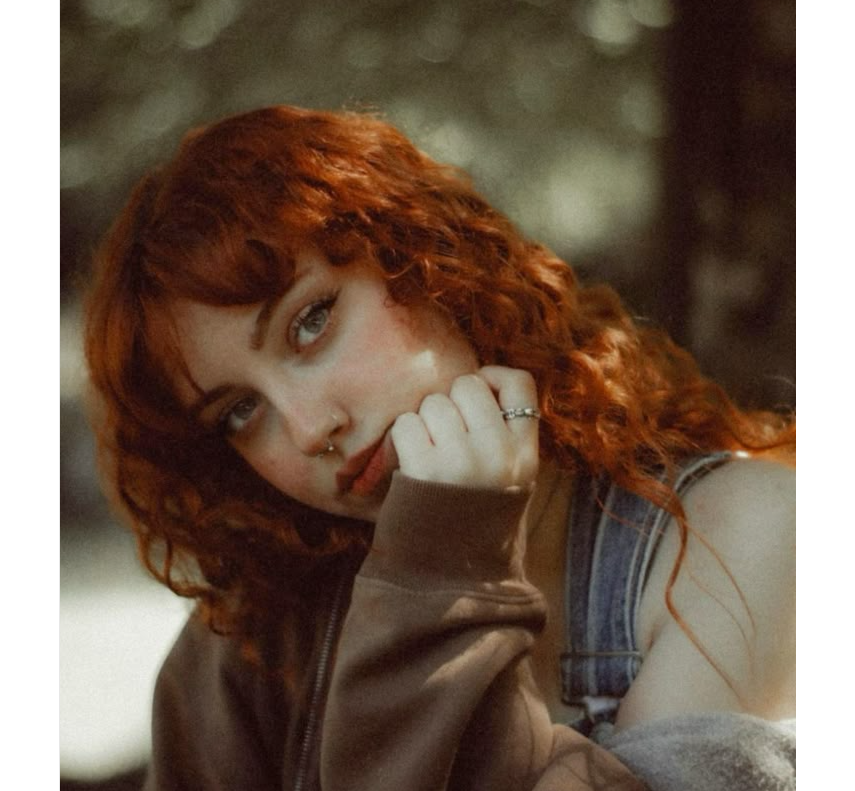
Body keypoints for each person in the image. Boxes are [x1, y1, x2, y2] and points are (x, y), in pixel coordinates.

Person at [84, 105, 796, 791]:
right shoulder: (254, 639)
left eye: (311, 321)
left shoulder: (743, 534)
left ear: (429, 261)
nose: (307, 428)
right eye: (241, 410)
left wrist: (446, 574)